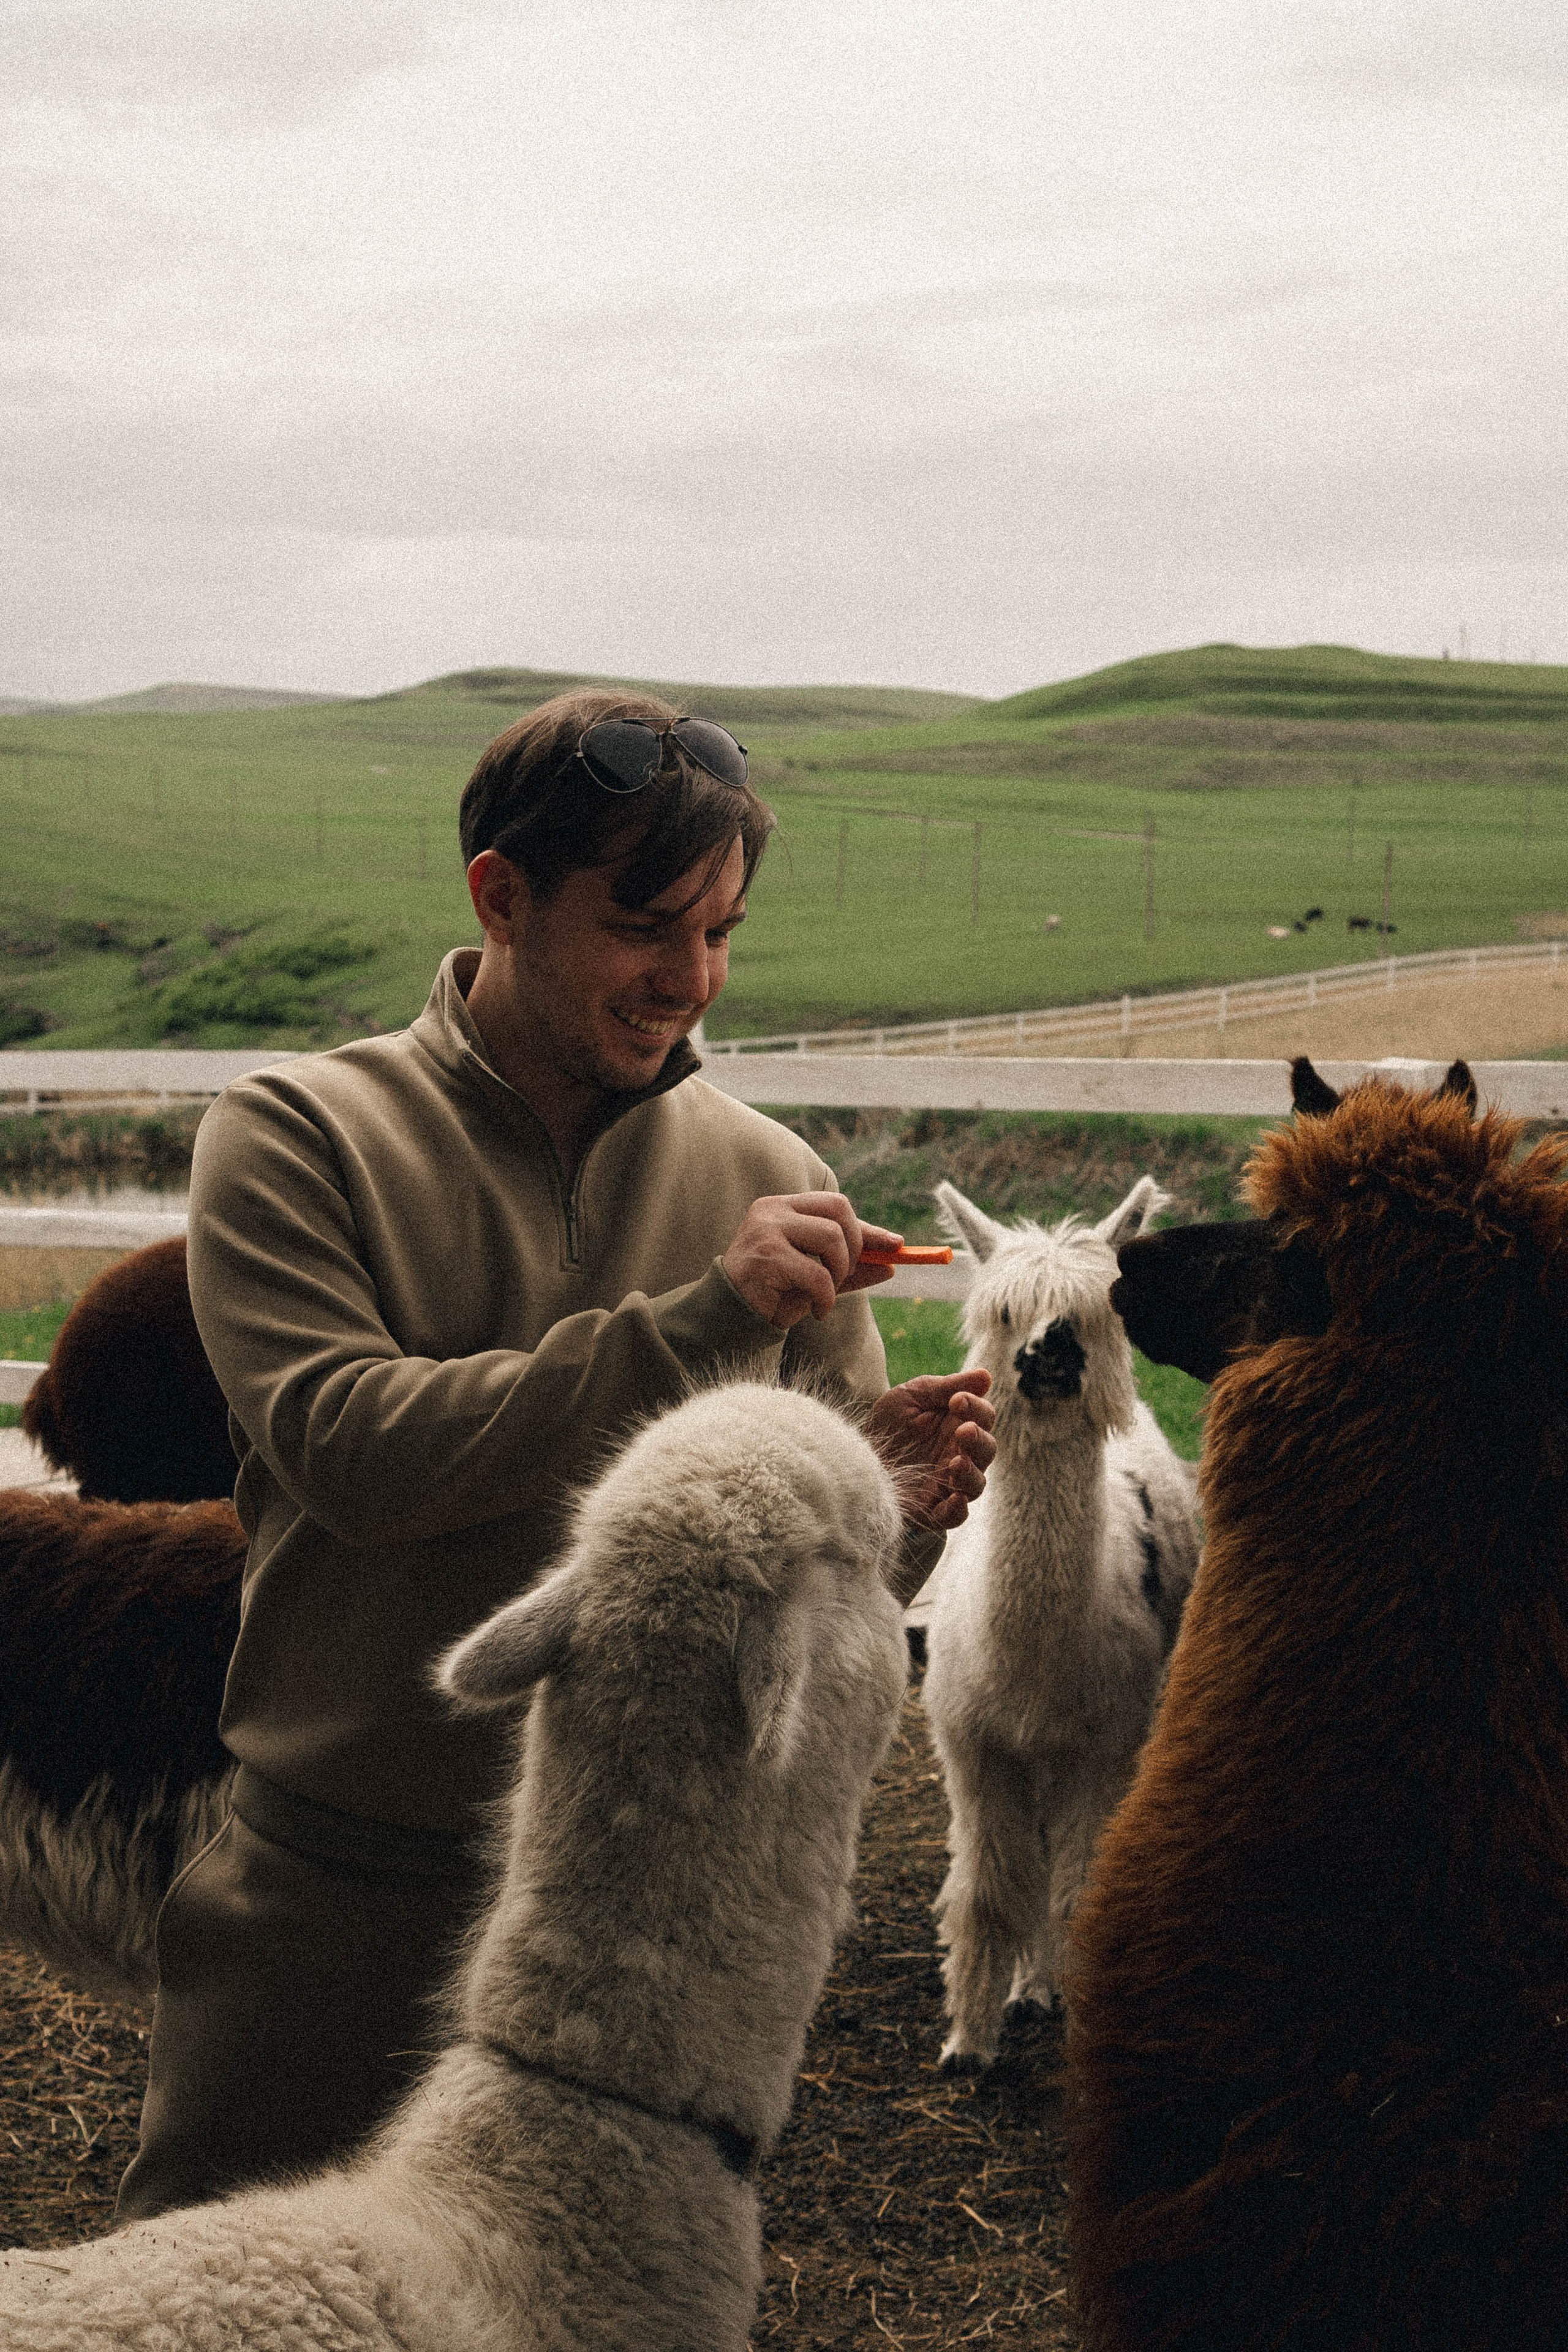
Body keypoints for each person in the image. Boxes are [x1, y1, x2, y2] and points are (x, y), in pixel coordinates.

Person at [116, 689, 994, 2222]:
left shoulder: (771, 1170)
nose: (689, 980)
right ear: (499, 897)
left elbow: (825, 1596)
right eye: (649, 924)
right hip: (344, 1891)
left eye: (721, 932)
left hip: (651, 1921)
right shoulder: (296, 1133)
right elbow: (351, 1451)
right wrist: (702, 1321)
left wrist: (892, 1503)